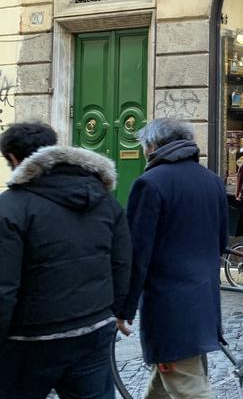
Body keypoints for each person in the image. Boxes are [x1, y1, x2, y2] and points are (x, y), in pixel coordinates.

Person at [0, 123, 131, 399]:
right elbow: (122, 262)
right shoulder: (105, 200)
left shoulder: (11, 207)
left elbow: (4, 286)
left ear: (13, 158)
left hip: (30, 338)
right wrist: (118, 311)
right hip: (93, 327)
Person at [116, 119, 228, 398]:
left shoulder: (150, 183)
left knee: (188, 385)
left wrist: (123, 308)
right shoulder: (212, 180)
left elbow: (137, 253)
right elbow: (221, 241)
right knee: (167, 379)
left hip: (170, 308)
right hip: (203, 300)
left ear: (153, 146)